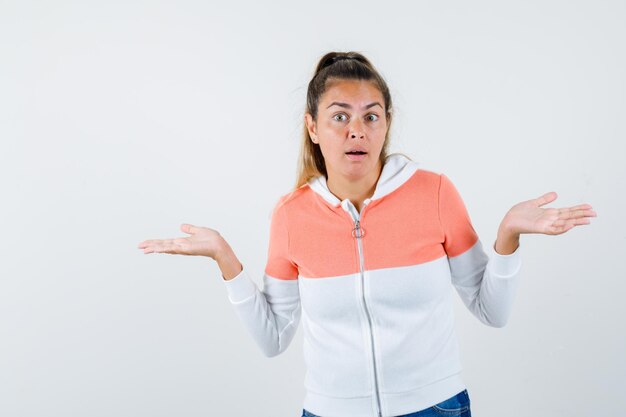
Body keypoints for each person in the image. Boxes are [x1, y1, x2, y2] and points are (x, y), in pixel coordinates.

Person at [137, 51, 596, 417]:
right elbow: (273, 338)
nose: (357, 130)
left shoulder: (434, 193)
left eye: (371, 116)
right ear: (313, 127)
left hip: (434, 407)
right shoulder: (292, 215)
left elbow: (491, 310)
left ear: (386, 124)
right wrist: (225, 258)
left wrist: (508, 236)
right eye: (340, 117)